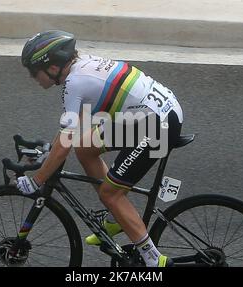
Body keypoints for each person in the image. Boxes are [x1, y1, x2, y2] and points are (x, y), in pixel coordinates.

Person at [16, 30, 183, 267]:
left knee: (109, 193)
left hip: (158, 125)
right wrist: (48, 153)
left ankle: (153, 259)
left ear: (52, 68)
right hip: (153, 114)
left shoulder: (75, 83)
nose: (33, 78)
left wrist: (37, 180)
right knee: (84, 147)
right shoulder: (82, 65)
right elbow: (70, 131)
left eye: (34, 73)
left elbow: (64, 144)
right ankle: (117, 218)